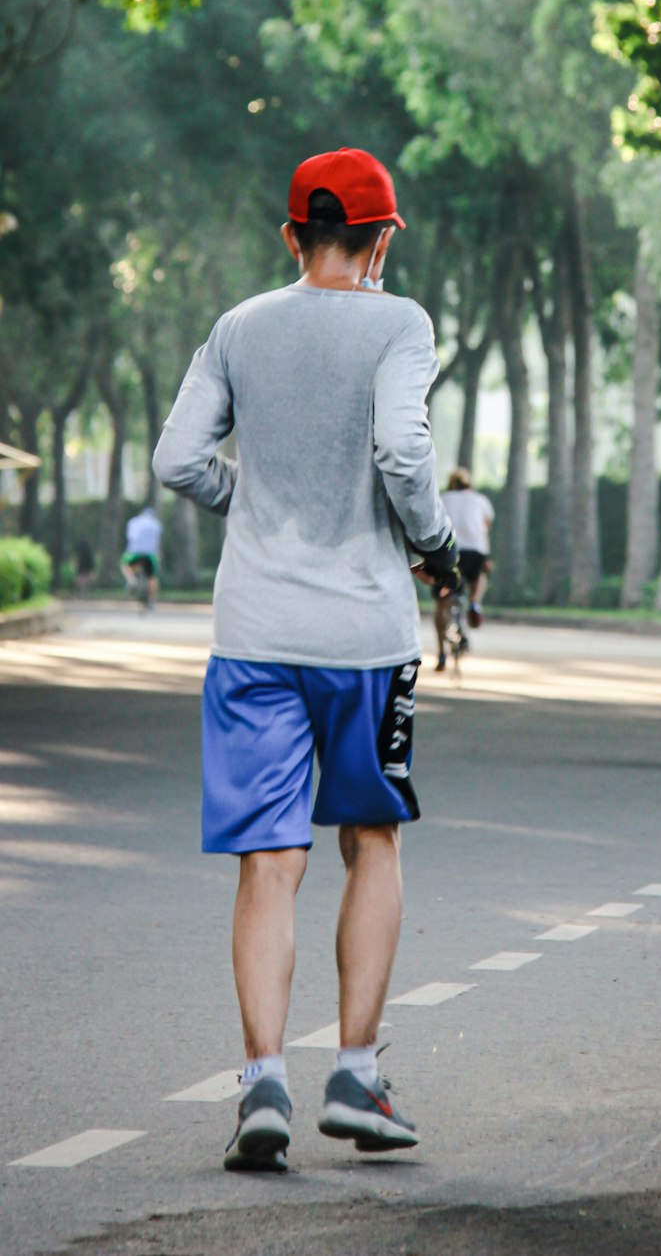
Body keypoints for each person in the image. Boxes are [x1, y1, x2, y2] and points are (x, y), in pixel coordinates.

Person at [153, 146, 459, 1175]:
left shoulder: (241, 327)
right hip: (365, 637)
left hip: (252, 636)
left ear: (291, 235)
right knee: (371, 837)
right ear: (379, 240)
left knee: (267, 860)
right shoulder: (400, 323)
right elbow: (406, 453)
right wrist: (432, 542)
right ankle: (358, 1073)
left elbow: (177, 459)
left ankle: (260, 1089)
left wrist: (262, 505)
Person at [434, 467, 494, 667]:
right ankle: (475, 601)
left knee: (442, 604)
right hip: (475, 552)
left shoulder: (442, 498)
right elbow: (485, 527)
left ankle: (442, 652)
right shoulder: (481, 500)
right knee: (480, 575)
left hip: (449, 553)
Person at [120, 505, 163, 607]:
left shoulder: (133, 522)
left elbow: (130, 537)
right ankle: (152, 600)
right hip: (150, 555)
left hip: (133, 553)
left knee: (124, 564)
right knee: (152, 577)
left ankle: (131, 579)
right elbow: (157, 542)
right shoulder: (156, 524)